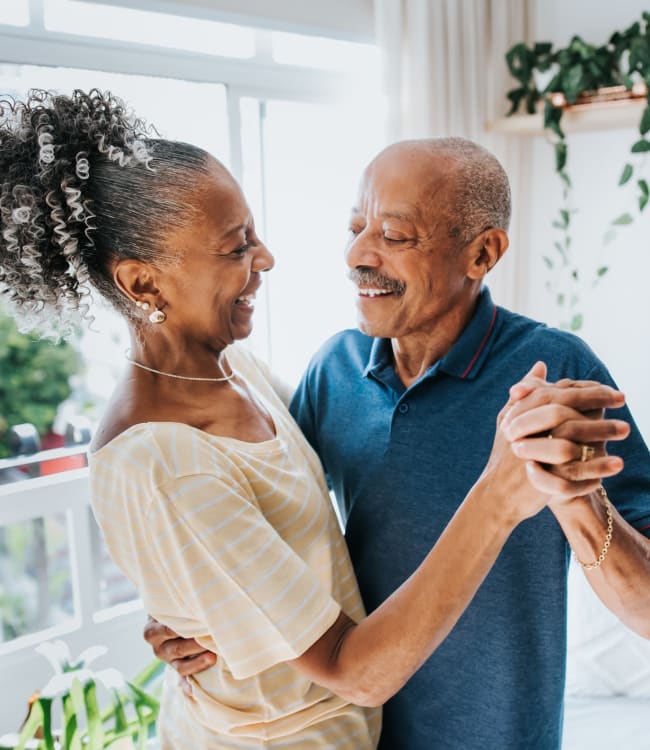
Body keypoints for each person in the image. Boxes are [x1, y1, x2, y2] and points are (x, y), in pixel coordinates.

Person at [146, 138, 650, 750]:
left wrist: (578, 500)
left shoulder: (556, 369)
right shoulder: (335, 367)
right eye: (357, 228)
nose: (359, 253)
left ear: (482, 253)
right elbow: (267, 524)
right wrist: (187, 613)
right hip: (348, 733)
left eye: (395, 235)